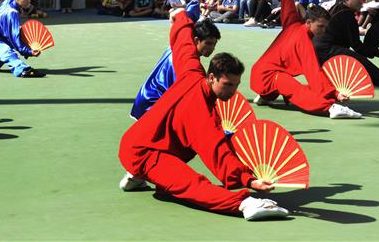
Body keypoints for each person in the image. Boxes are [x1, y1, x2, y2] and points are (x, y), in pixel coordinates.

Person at [118, 44, 287, 220]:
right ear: (212, 77)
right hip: (144, 154)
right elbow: (217, 151)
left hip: (144, 142)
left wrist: (180, 17)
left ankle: (137, 174)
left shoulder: (192, 73)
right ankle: (245, 205)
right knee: (193, 185)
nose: (232, 92)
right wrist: (248, 180)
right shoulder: (201, 111)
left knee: (179, 150)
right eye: (227, 84)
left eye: (236, 85)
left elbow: (185, 48)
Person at [252, 0, 361, 119]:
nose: (323, 30)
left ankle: (265, 96)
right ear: (309, 23)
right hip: (268, 76)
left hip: (260, 72)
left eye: (325, 27)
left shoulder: (293, 22)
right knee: (297, 90)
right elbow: (314, 72)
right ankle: (331, 108)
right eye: (321, 26)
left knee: (283, 81)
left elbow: (288, 4)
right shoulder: (303, 40)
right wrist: (334, 94)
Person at [130, 5, 218, 120]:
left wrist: (180, 13)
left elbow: (184, 26)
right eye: (208, 43)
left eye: (214, 44)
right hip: (155, 104)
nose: (212, 48)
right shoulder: (190, 65)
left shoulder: (179, 45)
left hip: (146, 96)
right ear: (196, 40)